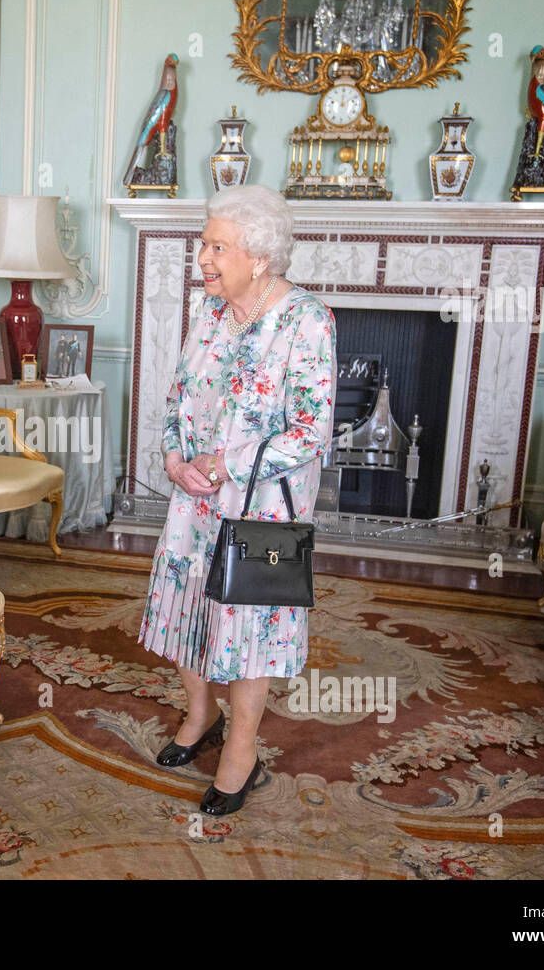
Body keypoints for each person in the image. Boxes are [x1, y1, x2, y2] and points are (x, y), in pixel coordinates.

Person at [138, 184, 336, 816]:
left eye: (216, 246)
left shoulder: (306, 320)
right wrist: (173, 458)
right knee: (188, 603)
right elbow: (176, 397)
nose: (203, 257)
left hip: (263, 509)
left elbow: (310, 432)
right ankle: (200, 715)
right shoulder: (213, 311)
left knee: (250, 627)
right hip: (194, 497)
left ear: (259, 257)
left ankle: (241, 747)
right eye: (203, 243)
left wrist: (225, 465)